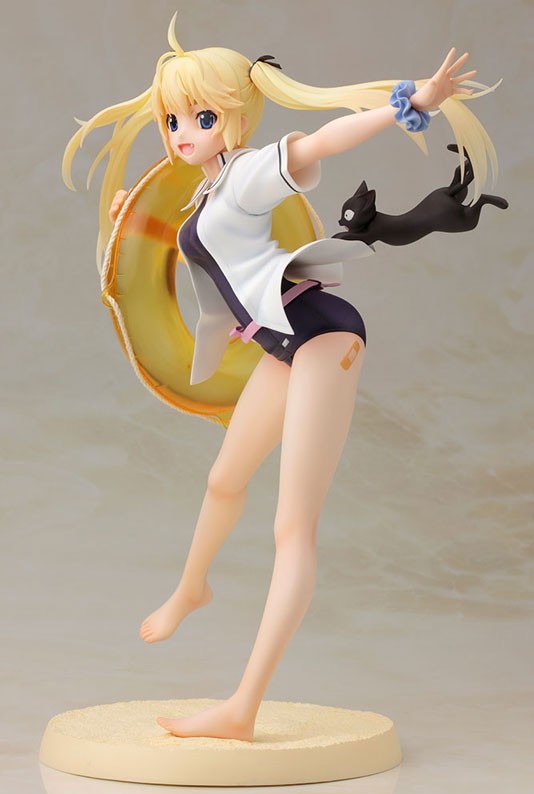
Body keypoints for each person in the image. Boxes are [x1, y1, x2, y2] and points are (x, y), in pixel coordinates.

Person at [62, 12, 499, 742]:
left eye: (201, 116)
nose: (183, 132)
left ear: (233, 118)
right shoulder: (209, 191)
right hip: (282, 344)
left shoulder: (250, 173)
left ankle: (242, 707)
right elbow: (194, 249)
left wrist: (410, 105)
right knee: (223, 480)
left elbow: (324, 139)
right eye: (173, 119)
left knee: (291, 528)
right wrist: (125, 214)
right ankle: (192, 588)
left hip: (323, 337)